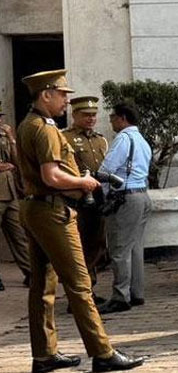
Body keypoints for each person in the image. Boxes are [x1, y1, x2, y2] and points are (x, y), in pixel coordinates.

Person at [16, 69, 143, 373]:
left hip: (35, 208)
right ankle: (102, 352)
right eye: (62, 94)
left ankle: (45, 354)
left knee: (43, 285)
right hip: (53, 211)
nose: (66, 100)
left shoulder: (28, 124)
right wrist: (83, 182)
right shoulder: (45, 129)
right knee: (80, 283)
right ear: (46, 95)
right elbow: (52, 175)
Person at [96, 103, 153, 315]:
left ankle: (120, 296)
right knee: (136, 247)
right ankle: (136, 292)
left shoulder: (123, 138)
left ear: (122, 118)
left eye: (112, 116)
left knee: (119, 249)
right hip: (142, 195)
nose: (110, 120)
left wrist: (101, 193)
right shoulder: (142, 140)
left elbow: (106, 170)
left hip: (124, 197)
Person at [63, 96, 110, 294]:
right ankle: (81, 290)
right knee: (79, 245)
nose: (91, 119)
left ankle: (90, 286)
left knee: (96, 242)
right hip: (77, 199)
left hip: (98, 198)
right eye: (86, 115)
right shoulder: (65, 138)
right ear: (74, 115)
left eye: (93, 115)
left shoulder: (100, 139)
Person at [0, 102, 31, 290]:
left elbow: (17, 161)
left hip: (9, 191)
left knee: (19, 233)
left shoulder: (4, 135)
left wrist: (11, 139)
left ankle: (31, 272)